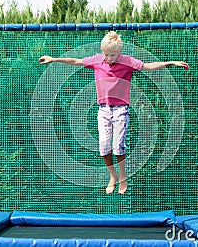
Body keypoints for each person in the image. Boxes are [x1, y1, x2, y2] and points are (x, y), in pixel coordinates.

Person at [39, 31, 188, 194]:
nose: (109, 58)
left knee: (118, 147)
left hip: (120, 110)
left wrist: (171, 63)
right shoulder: (97, 60)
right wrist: (54, 59)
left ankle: (123, 177)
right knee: (104, 147)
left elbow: (147, 66)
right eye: (107, 55)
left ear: (119, 52)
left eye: (113, 55)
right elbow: (76, 61)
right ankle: (113, 176)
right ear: (102, 52)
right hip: (103, 110)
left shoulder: (127, 62)